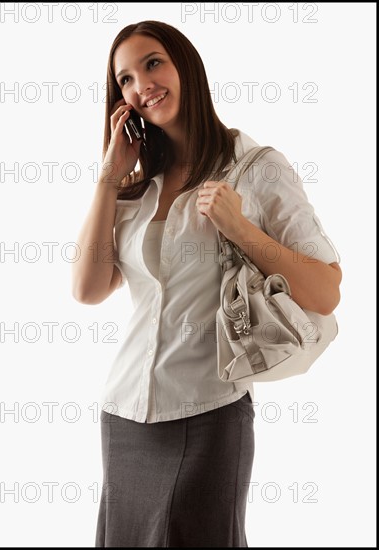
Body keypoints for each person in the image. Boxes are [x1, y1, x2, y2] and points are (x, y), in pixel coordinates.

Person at [72, 20, 342, 548]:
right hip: (124, 413)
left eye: (152, 63)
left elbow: (326, 291)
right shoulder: (136, 183)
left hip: (208, 411)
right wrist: (107, 181)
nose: (141, 85)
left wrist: (240, 228)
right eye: (124, 79)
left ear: (186, 66)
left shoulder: (256, 167)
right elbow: (88, 289)